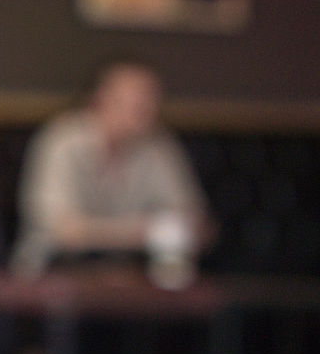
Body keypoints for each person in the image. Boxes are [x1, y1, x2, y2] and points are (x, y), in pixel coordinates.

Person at [11, 63, 208, 286]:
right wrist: (148, 231)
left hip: (130, 275)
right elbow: (62, 231)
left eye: (152, 97)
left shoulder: (159, 146)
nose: (147, 106)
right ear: (101, 98)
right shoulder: (63, 141)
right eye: (136, 97)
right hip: (52, 271)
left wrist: (170, 231)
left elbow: (195, 225)